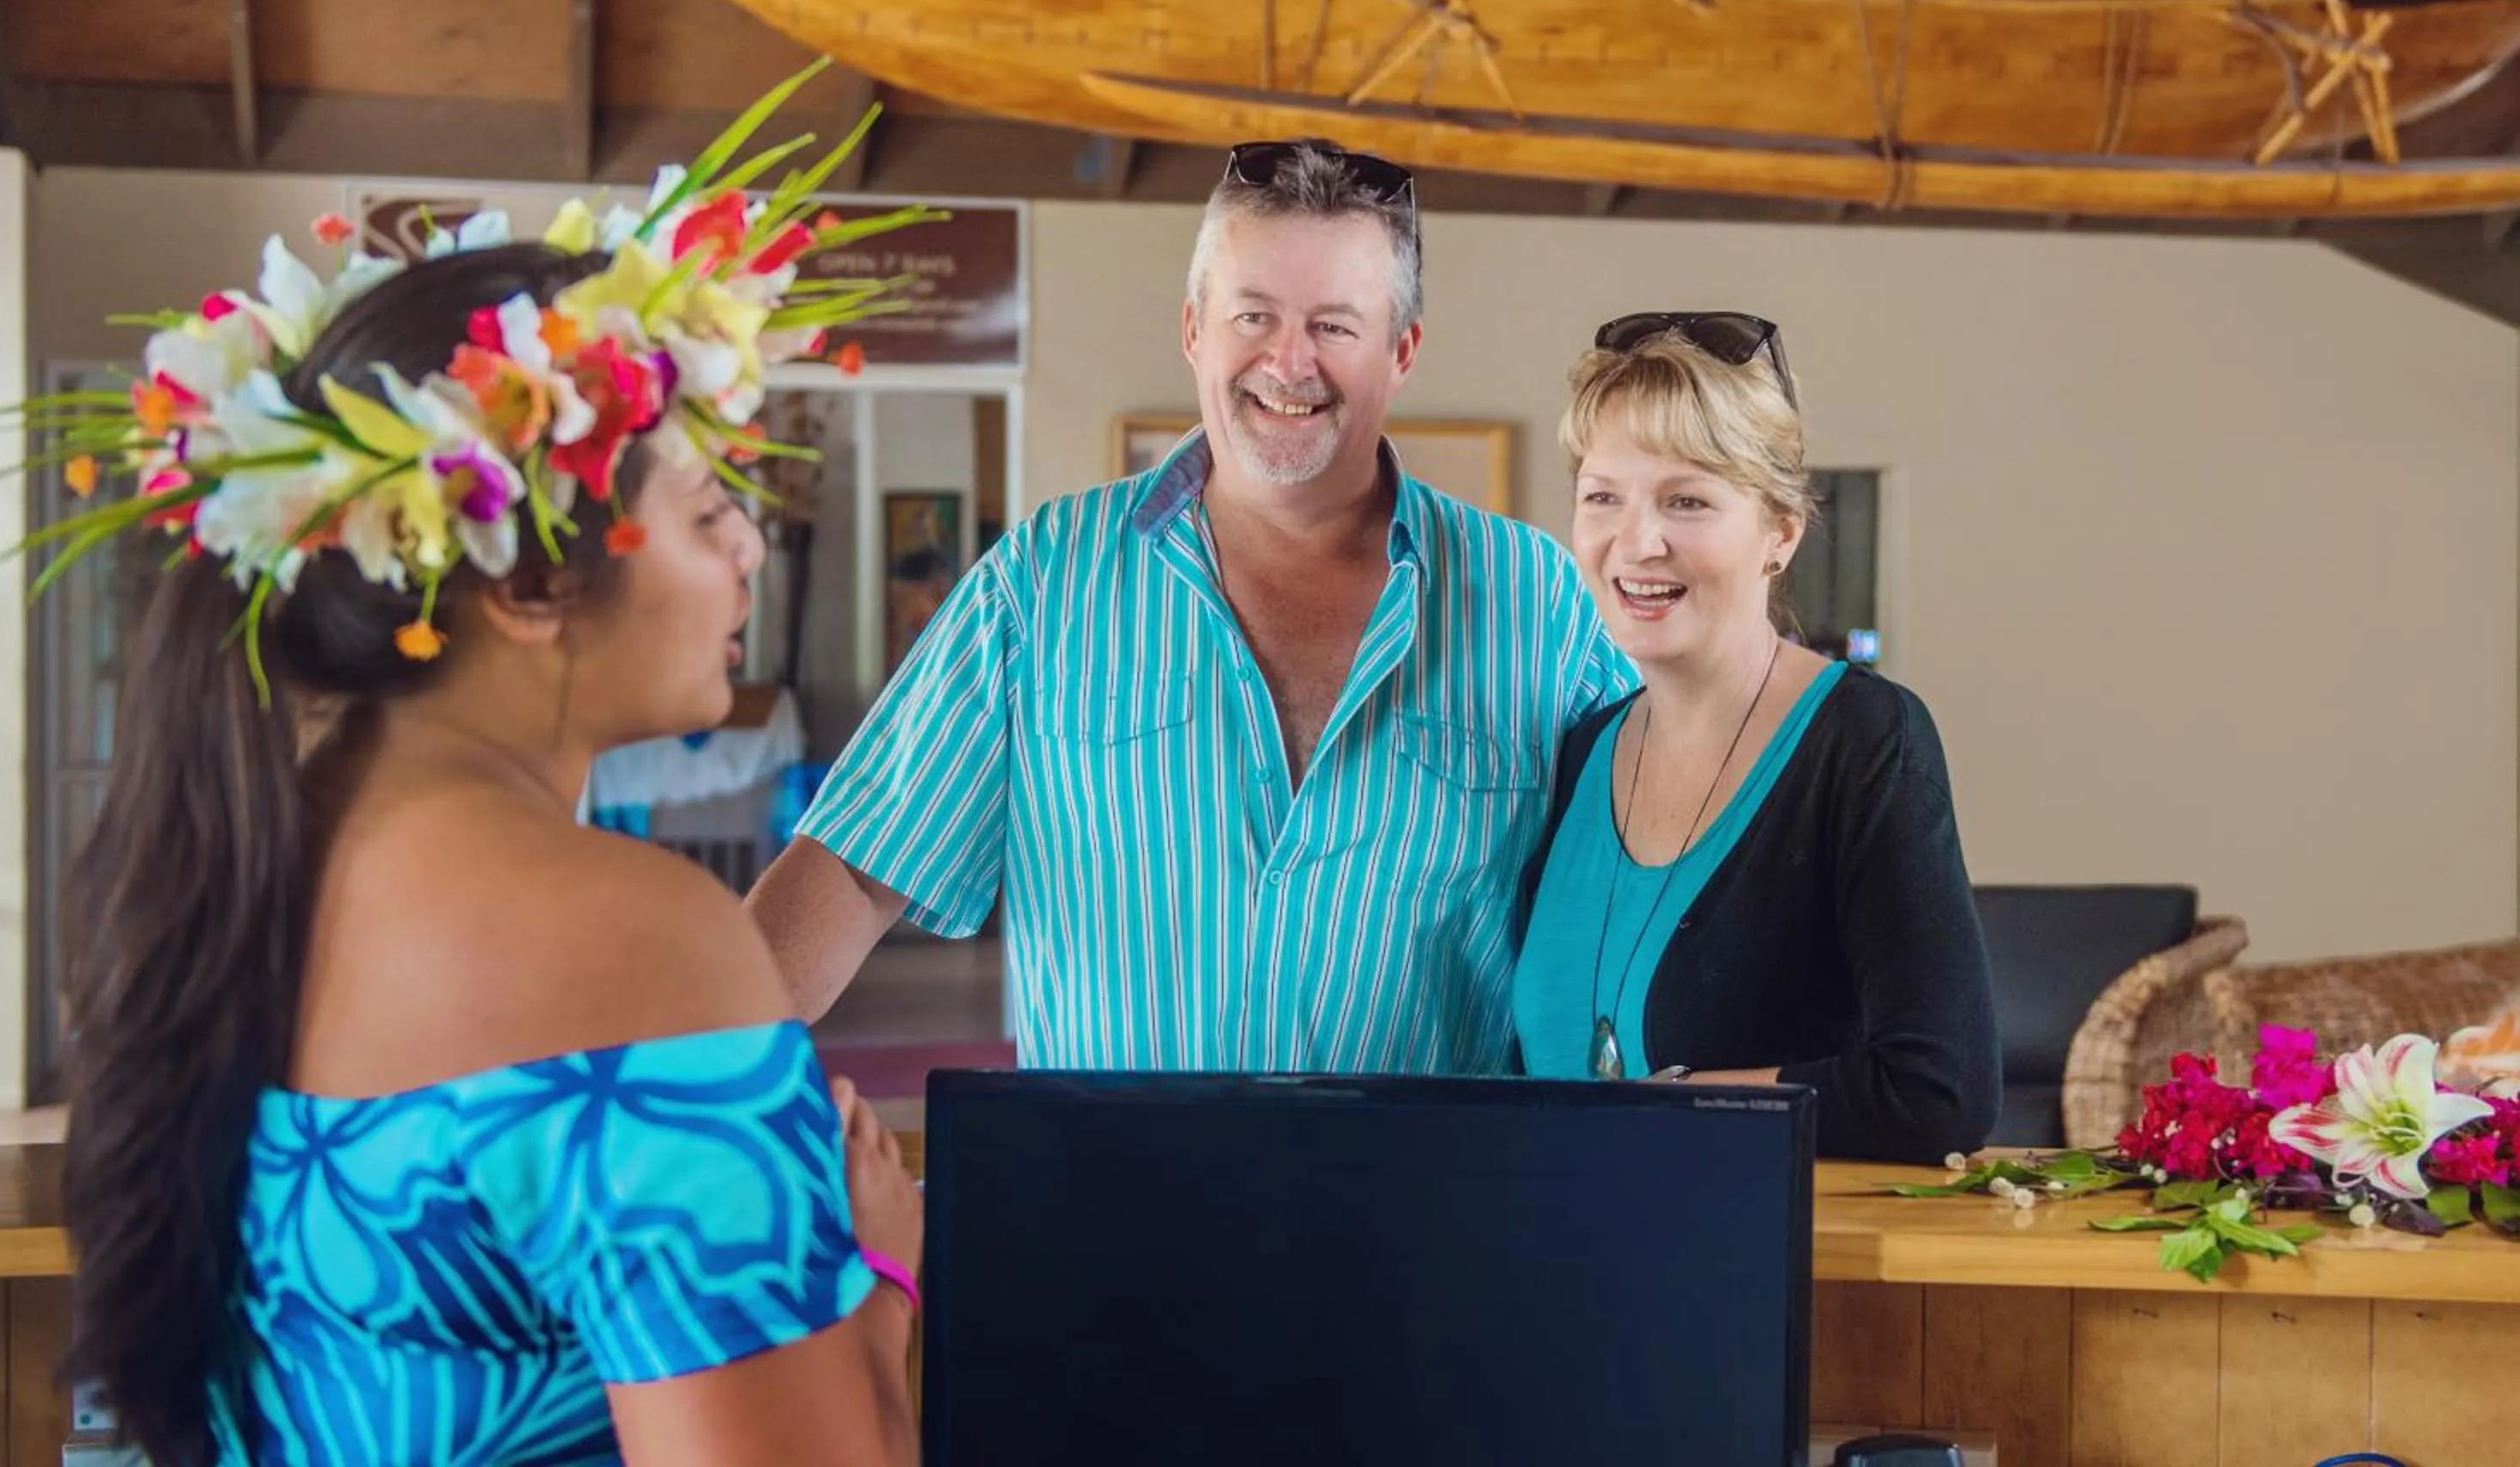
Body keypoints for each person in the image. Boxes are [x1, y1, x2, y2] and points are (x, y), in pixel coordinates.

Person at [40, 146, 926, 1464]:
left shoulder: (236, 858)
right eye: (702, 514)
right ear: (524, 587)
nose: (747, 544)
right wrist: (878, 1291)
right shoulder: (640, 945)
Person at [748, 139, 1636, 1073]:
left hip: (1432, 1206)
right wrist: (655, 1090)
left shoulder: (1530, 597)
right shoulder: (1045, 578)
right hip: (1111, 1205)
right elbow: (853, 865)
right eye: (1254, 314)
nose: (1289, 363)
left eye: (1335, 325)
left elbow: (1648, 874)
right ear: (1194, 330)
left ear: (1400, 351)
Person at [1510, 313, 1999, 1162]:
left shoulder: (1862, 739)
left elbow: (1939, 1089)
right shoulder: (1579, 750)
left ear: (1781, 531)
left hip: (1743, 1273)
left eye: (1687, 499)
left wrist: (1687, 1105)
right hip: (1547, 1267)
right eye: (1603, 496)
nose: (1639, 540)